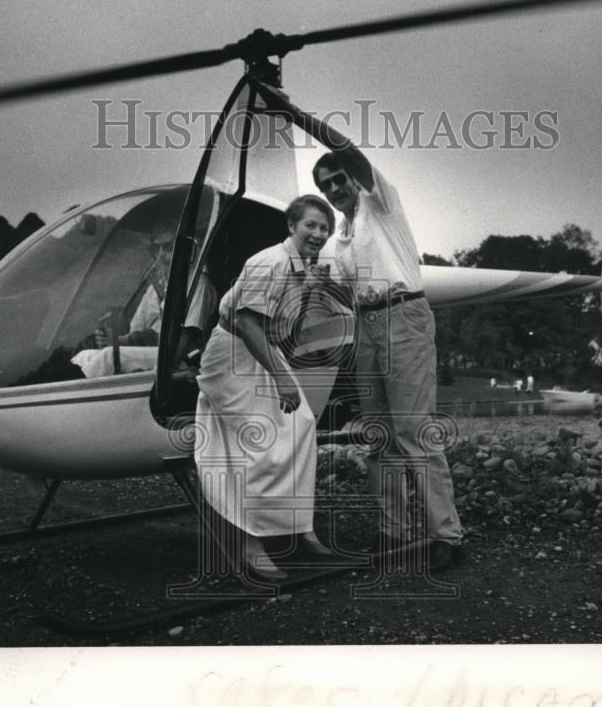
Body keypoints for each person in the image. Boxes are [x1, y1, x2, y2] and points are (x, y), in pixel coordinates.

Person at [253, 81, 463, 570]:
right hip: (366, 327)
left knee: (415, 433)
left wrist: (292, 113)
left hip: (404, 317)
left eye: (338, 179)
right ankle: (393, 531)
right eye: (325, 186)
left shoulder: (379, 204)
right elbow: (323, 289)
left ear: (354, 177)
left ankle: (447, 535)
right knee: (378, 437)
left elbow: (344, 147)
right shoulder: (337, 237)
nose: (334, 189)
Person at [194, 195, 335, 582]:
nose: (318, 234)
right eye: (311, 225)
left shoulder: (299, 267)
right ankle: (253, 547)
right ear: (292, 226)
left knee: (302, 423)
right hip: (230, 355)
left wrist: (311, 289)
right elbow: (247, 322)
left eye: (324, 228)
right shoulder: (268, 262)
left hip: (258, 349)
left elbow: (280, 326)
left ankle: (301, 529)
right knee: (261, 442)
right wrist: (284, 378)